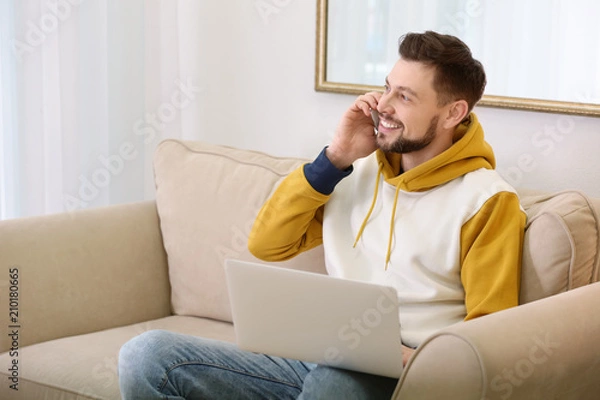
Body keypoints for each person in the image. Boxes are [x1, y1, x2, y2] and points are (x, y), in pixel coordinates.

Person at [118, 31, 526, 400]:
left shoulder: (487, 201)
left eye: (405, 96)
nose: (382, 106)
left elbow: (490, 337)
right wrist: (334, 158)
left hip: (408, 377)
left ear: (454, 113)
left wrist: (408, 357)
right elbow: (267, 244)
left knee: (334, 385)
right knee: (148, 356)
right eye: (386, 88)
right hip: (322, 358)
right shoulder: (352, 170)